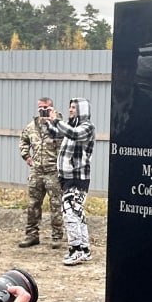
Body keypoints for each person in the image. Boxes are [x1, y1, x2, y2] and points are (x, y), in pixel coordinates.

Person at [46, 97, 95, 266]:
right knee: (77, 212)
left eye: (74, 107)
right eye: (70, 107)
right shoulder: (71, 125)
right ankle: (85, 249)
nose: (71, 110)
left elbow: (74, 135)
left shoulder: (87, 127)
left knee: (69, 212)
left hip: (78, 177)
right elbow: (56, 133)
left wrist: (57, 121)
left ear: (82, 110)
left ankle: (76, 250)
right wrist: (49, 122)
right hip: (67, 177)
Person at [17, 97, 64, 250]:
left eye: (46, 107)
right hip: (36, 171)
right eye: (40, 107)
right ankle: (32, 235)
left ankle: (57, 236)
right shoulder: (32, 126)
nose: (42, 110)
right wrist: (26, 156)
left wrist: (54, 121)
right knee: (33, 204)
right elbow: (23, 140)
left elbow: (68, 142)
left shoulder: (60, 125)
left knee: (56, 205)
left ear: (52, 108)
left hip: (53, 171)